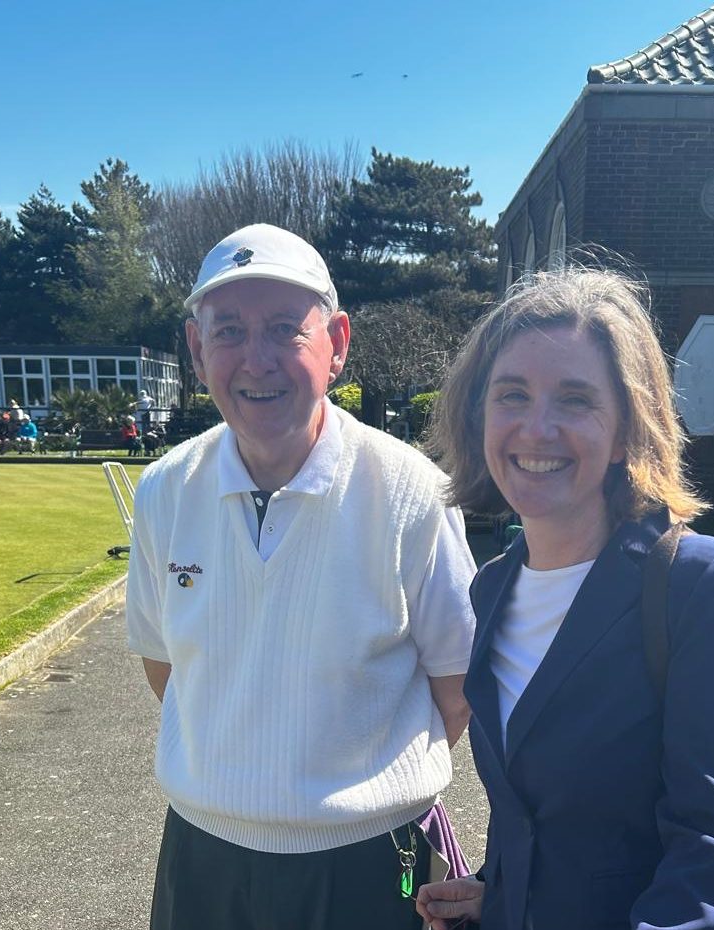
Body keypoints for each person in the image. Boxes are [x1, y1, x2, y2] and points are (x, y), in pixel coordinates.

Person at [126, 223, 478, 930]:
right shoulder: (166, 489)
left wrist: (341, 793)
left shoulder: (411, 491)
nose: (255, 360)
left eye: (285, 329)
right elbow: (166, 667)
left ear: (337, 344)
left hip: (373, 858)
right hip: (205, 858)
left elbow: (458, 688)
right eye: (227, 331)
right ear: (197, 350)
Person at [416, 267, 714, 930]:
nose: (537, 428)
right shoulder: (492, 585)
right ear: (479, 415)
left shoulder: (706, 586)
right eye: (513, 395)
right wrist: (497, 888)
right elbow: (541, 817)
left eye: (576, 400)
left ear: (624, 432)